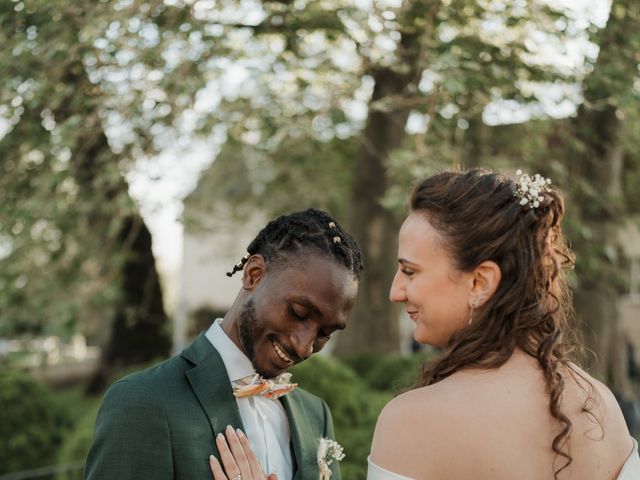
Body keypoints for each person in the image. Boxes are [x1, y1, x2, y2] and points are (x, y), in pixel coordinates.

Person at [211, 169, 640, 480]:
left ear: (480, 281)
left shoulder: (415, 420)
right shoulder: (599, 405)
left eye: (411, 272)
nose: (396, 291)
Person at [84, 208, 363, 480]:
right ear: (254, 274)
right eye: (298, 313)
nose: (305, 347)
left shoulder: (316, 415)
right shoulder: (143, 402)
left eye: (325, 333)